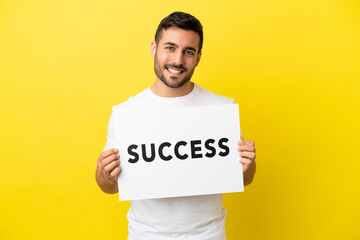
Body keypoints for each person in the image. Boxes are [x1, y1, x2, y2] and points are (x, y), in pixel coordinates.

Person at [95, 11, 256, 240]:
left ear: (198, 58)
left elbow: (244, 177)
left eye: (188, 52)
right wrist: (105, 173)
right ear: (154, 48)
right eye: (170, 47)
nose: (178, 60)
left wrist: (248, 165)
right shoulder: (126, 114)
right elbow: (108, 186)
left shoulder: (220, 109)